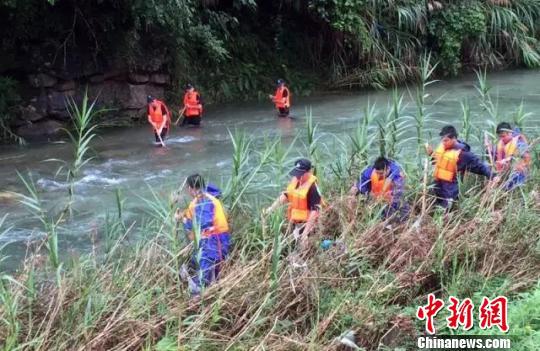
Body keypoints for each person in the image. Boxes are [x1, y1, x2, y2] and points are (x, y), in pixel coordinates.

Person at [176, 174, 231, 294]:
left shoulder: (200, 202)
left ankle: (198, 294)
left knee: (204, 277)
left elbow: (204, 223)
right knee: (201, 265)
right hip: (221, 238)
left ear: (190, 188)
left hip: (214, 241)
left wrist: (184, 221)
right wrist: (183, 218)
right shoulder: (209, 198)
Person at [425, 125, 495, 209]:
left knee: (444, 212)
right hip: (438, 187)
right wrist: (431, 154)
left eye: (446, 140)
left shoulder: (463, 154)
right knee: (435, 208)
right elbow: (437, 162)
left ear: (454, 138)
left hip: (450, 191)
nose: (443, 143)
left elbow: (479, 166)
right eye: (442, 140)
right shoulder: (443, 147)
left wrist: (493, 176)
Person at [264, 158, 322, 249]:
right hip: (295, 222)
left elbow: (315, 211)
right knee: (294, 247)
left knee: (307, 249)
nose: (298, 176)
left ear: (309, 172)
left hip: (308, 225)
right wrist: (271, 209)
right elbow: (286, 196)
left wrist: (305, 234)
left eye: (301, 174)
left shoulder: (313, 188)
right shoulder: (296, 180)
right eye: (297, 173)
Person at [349, 156, 409, 220]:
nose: (378, 175)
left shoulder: (396, 175)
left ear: (388, 169)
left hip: (389, 199)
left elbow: (398, 195)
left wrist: (388, 197)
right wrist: (356, 189)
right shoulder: (369, 172)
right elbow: (362, 184)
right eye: (377, 173)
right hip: (376, 199)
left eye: (381, 173)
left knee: (399, 207)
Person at [488, 122, 531, 190]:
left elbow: (526, 157)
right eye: (500, 136)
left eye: (503, 136)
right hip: (506, 172)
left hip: (519, 173)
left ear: (510, 133)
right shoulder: (502, 143)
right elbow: (497, 156)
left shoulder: (520, 143)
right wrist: (490, 150)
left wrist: (509, 159)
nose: (502, 139)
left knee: (508, 186)